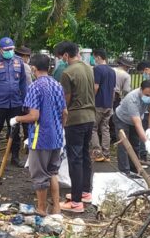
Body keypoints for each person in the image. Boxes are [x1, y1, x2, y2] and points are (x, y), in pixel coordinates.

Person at [10, 54, 67, 216]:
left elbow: (34, 116)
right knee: (52, 173)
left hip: (40, 138)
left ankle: (41, 209)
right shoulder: (57, 85)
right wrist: (60, 128)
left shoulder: (35, 87)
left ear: (33, 68)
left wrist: (17, 118)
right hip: (57, 137)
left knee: (40, 177)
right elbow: (65, 112)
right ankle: (56, 208)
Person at [56, 41, 96, 213]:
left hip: (76, 119)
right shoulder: (88, 67)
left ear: (66, 55)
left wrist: (61, 117)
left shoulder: (67, 72)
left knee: (75, 159)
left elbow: (66, 99)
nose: (60, 60)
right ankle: (85, 192)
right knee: (85, 156)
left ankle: (76, 202)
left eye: (60, 57)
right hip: (90, 117)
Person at [0, 37, 27, 167]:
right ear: (0, 50)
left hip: (15, 103)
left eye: (11, 49)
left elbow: (23, 83)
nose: (9, 51)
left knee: (14, 131)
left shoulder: (19, 62)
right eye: (7, 49)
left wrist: (25, 102)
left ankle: (15, 157)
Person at [112, 80, 150, 177]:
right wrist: (146, 141)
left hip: (136, 118)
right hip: (122, 119)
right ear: (141, 90)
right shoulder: (132, 98)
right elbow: (137, 123)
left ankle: (134, 169)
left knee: (135, 144)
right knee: (124, 145)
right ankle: (124, 172)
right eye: (147, 94)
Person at [91, 49, 116, 162]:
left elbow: (96, 86)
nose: (94, 60)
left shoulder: (97, 69)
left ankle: (97, 152)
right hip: (108, 104)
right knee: (105, 128)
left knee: (93, 128)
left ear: (99, 57)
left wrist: (91, 98)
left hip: (98, 103)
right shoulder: (112, 71)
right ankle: (106, 153)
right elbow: (113, 89)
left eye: (95, 57)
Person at [109, 57, 133, 143]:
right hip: (116, 96)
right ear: (126, 66)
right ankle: (114, 136)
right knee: (114, 116)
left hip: (105, 95)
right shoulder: (126, 75)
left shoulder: (111, 70)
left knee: (105, 116)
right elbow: (126, 90)